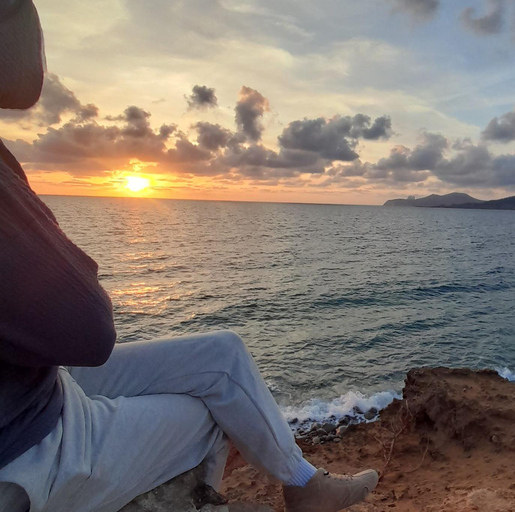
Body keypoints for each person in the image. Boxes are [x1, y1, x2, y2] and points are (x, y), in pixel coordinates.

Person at [0, 1, 379, 511]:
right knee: (211, 413)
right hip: (24, 442)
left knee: (222, 355)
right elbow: (89, 330)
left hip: (34, 387)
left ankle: (303, 483)